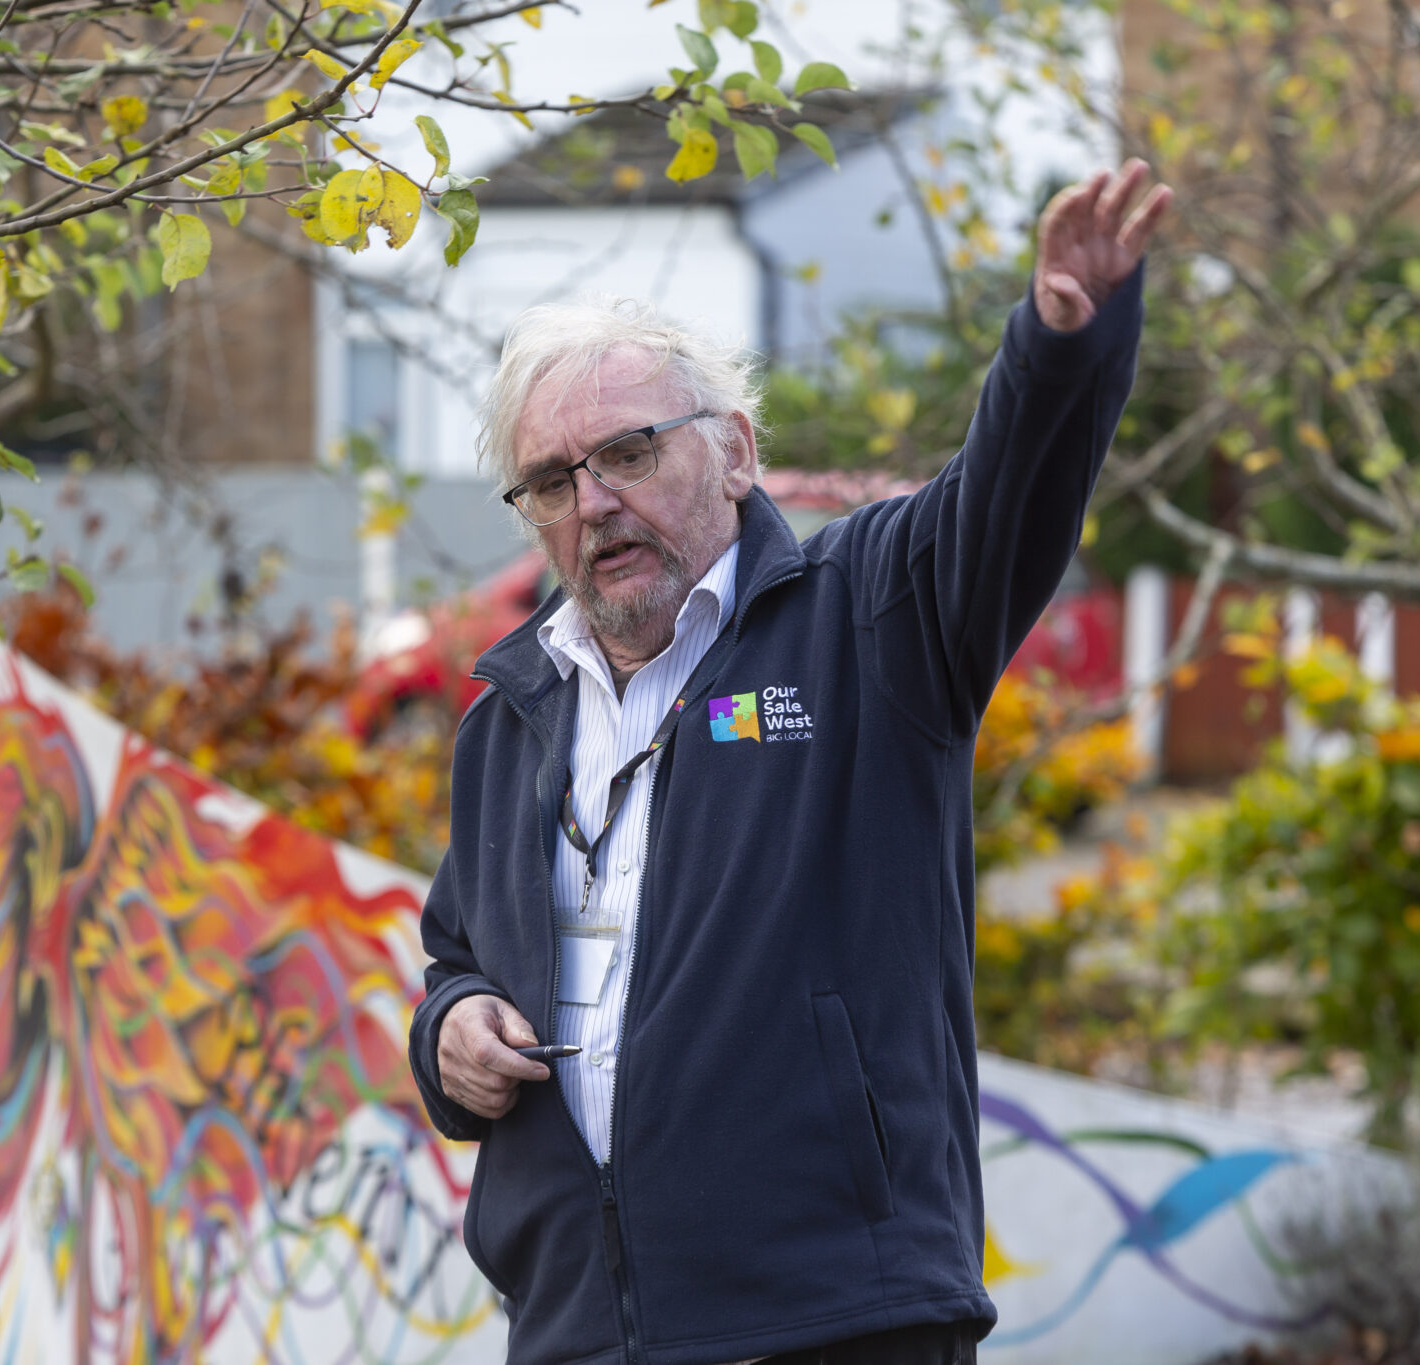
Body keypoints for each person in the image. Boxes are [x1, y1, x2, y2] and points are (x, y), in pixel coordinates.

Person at [407, 161, 1173, 1365]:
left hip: (832, 1321)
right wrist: (448, 1030)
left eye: (629, 452)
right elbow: (456, 956)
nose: (594, 501)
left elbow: (1011, 496)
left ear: (735, 450)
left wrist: (1057, 349)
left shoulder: (869, 617)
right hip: (575, 1333)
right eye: (553, 480)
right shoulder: (508, 717)